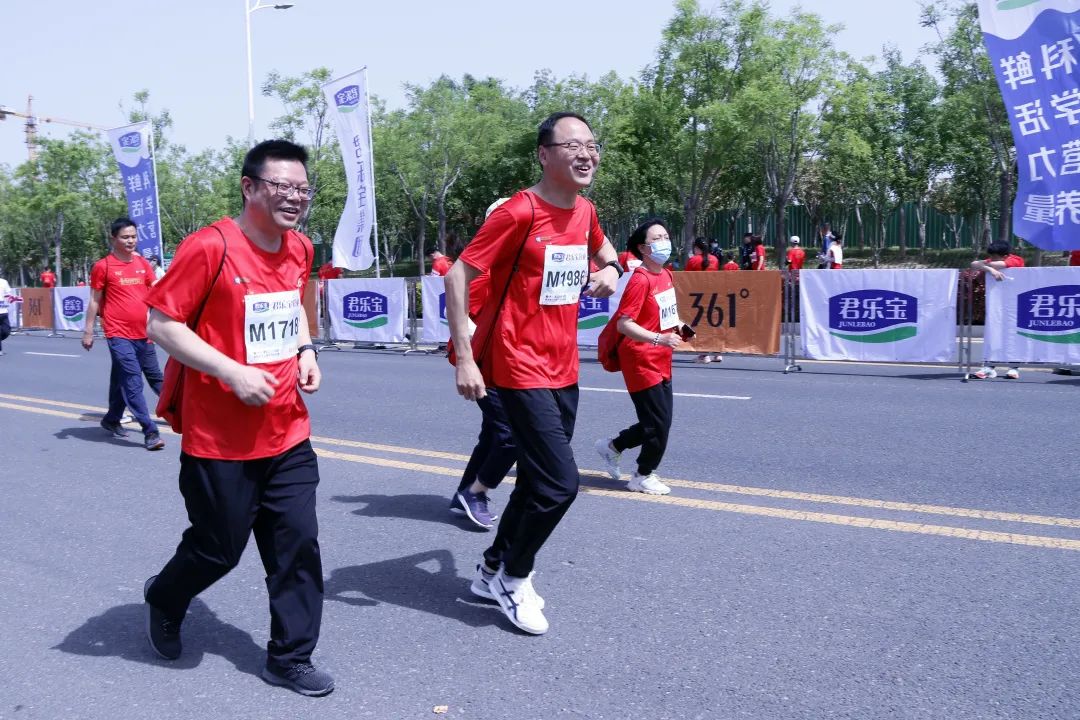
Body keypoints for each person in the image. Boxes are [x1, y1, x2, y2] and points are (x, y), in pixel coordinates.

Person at [141, 140, 333, 696]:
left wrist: (306, 350)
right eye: (282, 186)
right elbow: (161, 325)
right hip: (219, 439)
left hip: (287, 429)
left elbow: (293, 306)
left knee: (298, 545)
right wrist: (231, 371)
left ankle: (290, 657)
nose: (294, 198)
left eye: (302, 189)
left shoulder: (300, 247)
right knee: (217, 548)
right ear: (249, 187)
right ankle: (166, 596)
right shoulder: (210, 247)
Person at [444, 112, 620, 636]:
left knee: (539, 479)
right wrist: (466, 357)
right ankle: (514, 577)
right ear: (544, 155)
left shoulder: (585, 211)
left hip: (562, 363)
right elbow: (458, 274)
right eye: (573, 145)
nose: (586, 154)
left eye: (592, 144)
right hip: (516, 363)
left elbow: (605, 250)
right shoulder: (519, 212)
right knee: (561, 484)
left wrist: (611, 270)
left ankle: (491, 569)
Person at [595, 219, 682, 496]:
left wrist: (680, 326)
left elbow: (666, 315)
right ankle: (643, 475)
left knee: (657, 422)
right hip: (640, 358)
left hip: (661, 357)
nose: (664, 242)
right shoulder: (640, 279)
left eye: (666, 236)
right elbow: (624, 324)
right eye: (657, 239)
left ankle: (613, 447)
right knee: (658, 424)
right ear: (643, 248)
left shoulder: (666, 275)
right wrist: (658, 338)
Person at [449, 199, 518, 531]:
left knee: (493, 432)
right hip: (484, 363)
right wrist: (470, 362)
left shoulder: (511, 269)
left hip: (505, 363)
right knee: (510, 432)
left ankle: (463, 495)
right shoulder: (480, 273)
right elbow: (463, 319)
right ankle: (476, 493)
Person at [82, 218, 165, 451]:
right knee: (132, 380)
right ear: (113, 239)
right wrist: (88, 330)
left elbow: (156, 292)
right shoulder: (104, 266)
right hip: (118, 333)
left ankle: (111, 419)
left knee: (152, 377)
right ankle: (150, 431)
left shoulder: (142, 263)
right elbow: (94, 300)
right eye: (125, 237)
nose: (130, 241)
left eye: (133, 236)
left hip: (144, 333)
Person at [970, 241, 1024, 381]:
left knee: (1012, 335)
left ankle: (1014, 368)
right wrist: (991, 270)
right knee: (994, 333)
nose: (992, 259)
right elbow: (973, 264)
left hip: (1016, 304)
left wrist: (988, 267)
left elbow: (994, 264)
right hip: (997, 304)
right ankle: (989, 367)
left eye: (995, 256)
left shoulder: (1016, 260)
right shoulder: (993, 261)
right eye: (991, 256)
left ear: (1005, 255)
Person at [0, 277, 19, 356]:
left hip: (3, 311)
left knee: (6, 331)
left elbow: (8, 295)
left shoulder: (3, 282)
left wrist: (14, 299)